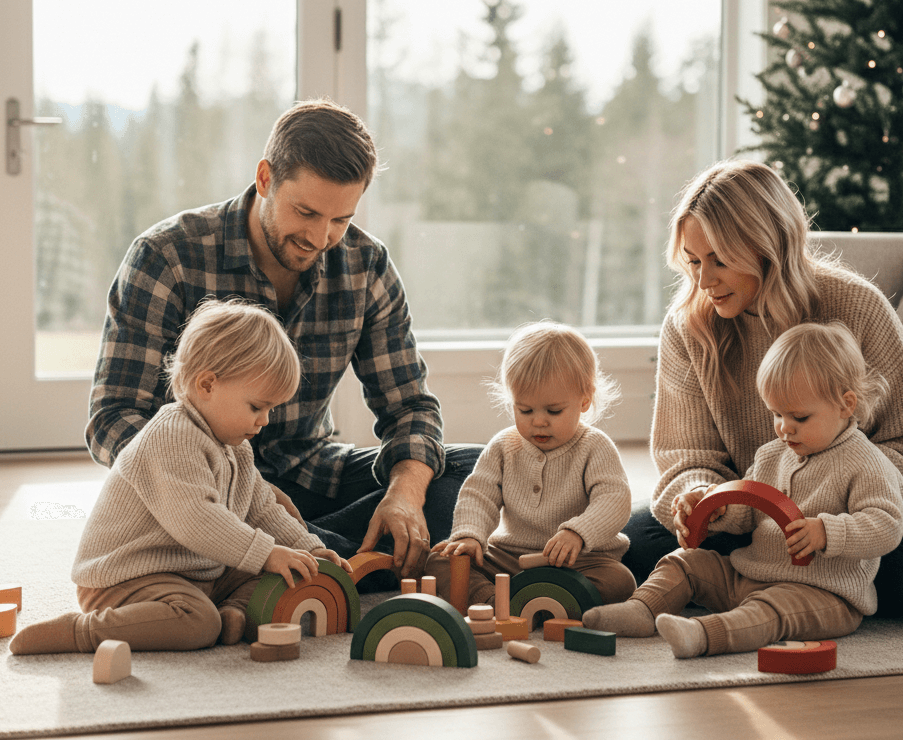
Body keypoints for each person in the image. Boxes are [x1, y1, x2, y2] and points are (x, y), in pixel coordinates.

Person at [86, 99, 481, 587]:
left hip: (310, 470)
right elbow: (112, 419)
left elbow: (410, 407)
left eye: (340, 219)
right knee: (208, 519)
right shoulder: (167, 256)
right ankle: (341, 565)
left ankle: (297, 565)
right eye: (307, 212)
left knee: (472, 469)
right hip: (203, 483)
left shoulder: (365, 265)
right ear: (265, 178)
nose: (320, 237)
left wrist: (405, 493)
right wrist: (214, 487)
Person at [621, 158, 903, 618]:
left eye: (720, 261)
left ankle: (748, 587)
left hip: (846, 527)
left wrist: (826, 510)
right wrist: (701, 497)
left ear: (767, 246)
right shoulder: (688, 327)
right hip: (743, 522)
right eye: (693, 262)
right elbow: (685, 456)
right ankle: (806, 597)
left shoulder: (856, 305)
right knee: (630, 538)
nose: (704, 282)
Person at [11, 299, 351, 654]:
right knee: (197, 623)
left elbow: (263, 510)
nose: (264, 420)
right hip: (128, 578)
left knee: (276, 572)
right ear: (207, 385)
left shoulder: (234, 446)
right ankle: (82, 632)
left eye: (269, 410)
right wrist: (267, 552)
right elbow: (197, 520)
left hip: (198, 571)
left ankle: (233, 612)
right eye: (256, 406)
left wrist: (309, 548)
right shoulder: (173, 435)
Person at [585, 321, 903, 656]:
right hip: (748, 575)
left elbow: (887, 526)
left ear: (845, 405)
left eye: (799, 417)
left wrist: (827, 531)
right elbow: (748, 511)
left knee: (768, 611)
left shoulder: (866, 463)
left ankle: (704, 635)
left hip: (821, 594)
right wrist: (715, 507)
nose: (785, 428)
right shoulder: (772, 455)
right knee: (685, 561)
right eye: (777, 414)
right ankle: (642, 610)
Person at [426, 322, 636, 608]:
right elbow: (479, 494)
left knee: (620, 582)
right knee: (441, 559)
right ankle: (497, 602)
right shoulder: (503, 446)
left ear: (585, 400)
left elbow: (614, 499)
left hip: (579, 560)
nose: (538, 420)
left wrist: (578, 532)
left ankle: (541, 601)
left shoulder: (595, 446)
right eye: (525, 410)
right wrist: (471, 536)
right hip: (509, 557)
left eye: (553, 410)